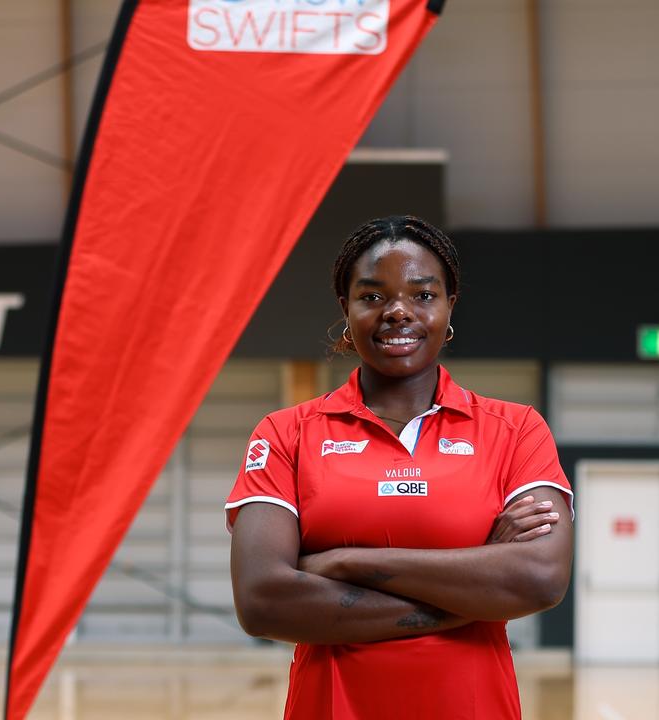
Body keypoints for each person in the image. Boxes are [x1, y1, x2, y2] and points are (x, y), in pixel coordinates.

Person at [225, 215, 573, 719]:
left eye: (423, 295)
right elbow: (262, 601)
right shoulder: (287, 433)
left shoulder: (515, 429)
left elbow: (539, 579)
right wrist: (475, 585)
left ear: (450, 305)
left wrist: (344, 563)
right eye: (372, 297)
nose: (398, 312)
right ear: (346, 309)